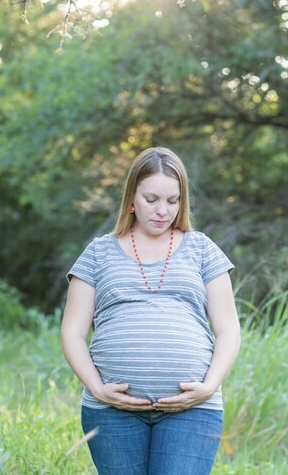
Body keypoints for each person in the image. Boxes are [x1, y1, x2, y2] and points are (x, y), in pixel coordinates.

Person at [60, 146, 241, 475]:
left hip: (193, 408)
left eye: (173, 201)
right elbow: (72, 333)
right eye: (151, 199)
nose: (163, 211)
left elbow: (228, 330)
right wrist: (98, 389)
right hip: (112, 411)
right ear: (131, 198)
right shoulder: (99, 252)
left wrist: (210, 385)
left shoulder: (201, 249)